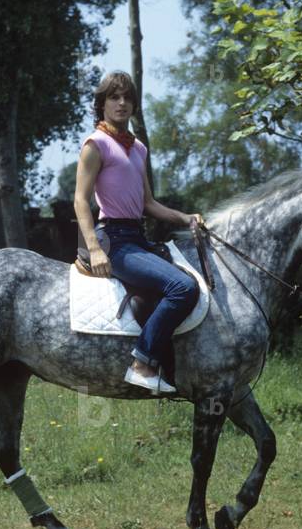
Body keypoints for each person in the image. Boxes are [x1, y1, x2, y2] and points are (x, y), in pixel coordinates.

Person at [74, 70, 204, 394]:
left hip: (137, 237)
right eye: (114, 97)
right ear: (101, 104)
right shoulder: (96, 144)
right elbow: (80, 200)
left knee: (186, 281)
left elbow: (148, 203)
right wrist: (95, 249)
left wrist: (185, 218)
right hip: (113, 240)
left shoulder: (139, 149)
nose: (121, 103)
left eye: (127, 97)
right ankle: (142, 363)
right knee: (183, 288)